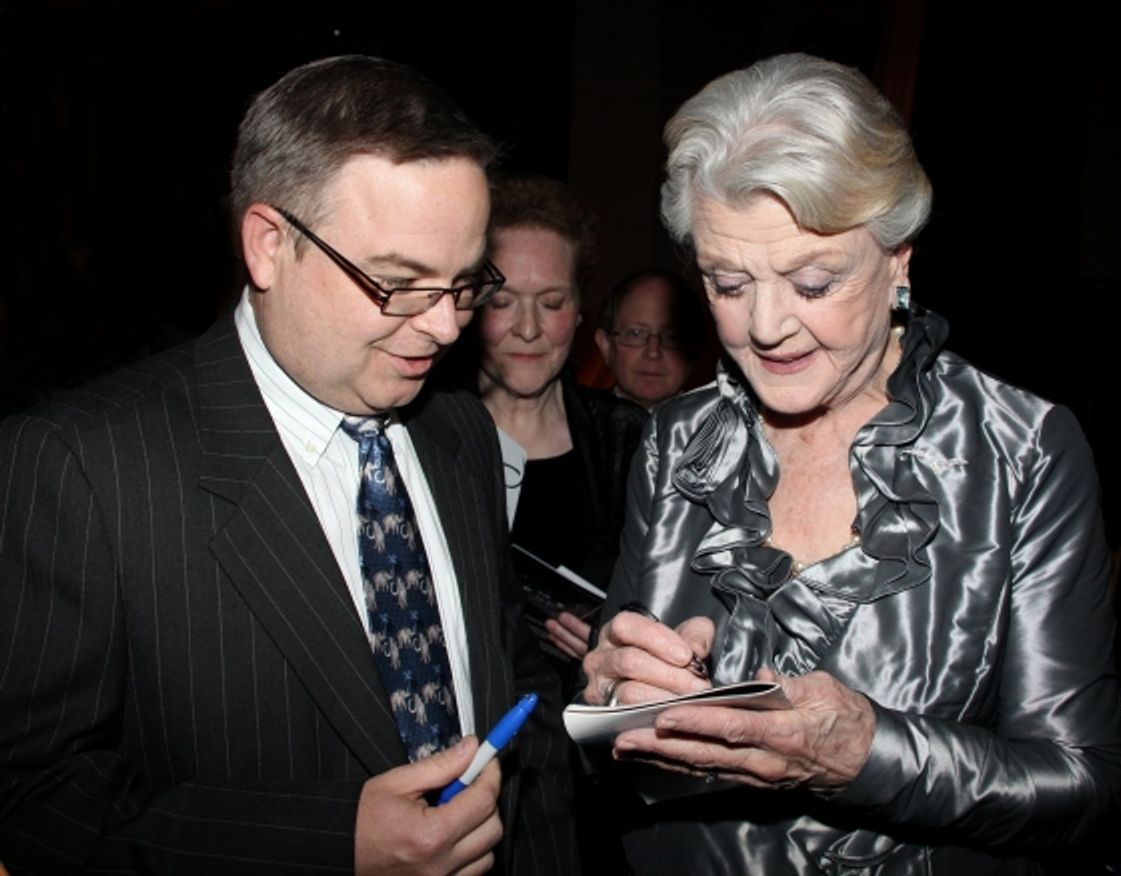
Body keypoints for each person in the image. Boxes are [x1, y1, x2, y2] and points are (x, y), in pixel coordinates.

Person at [0, 56, 576, 875]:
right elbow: (30, 799)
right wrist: (328, 843)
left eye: (463, 283)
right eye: (399, 283)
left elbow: (514, 685)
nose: (448, 327)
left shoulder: (460, 434)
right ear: (270, 247)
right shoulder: (79, 467)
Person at [580, 53, 1121, 874]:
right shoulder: (676, 440)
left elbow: (1082, 786)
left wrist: (867, 755)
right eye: (728, 283)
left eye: (813, 281)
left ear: (899, 256)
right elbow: (615, 734)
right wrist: (612, 694)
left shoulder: (1021, 450)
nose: (765, 327)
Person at [473, 176, 647, 665]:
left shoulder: (628, 439)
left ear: (577, 314)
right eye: (501, 303)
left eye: (551, 303)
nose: (528, 329)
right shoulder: (425, 436)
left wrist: (618, 633)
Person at [594, 269, 705, 410]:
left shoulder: (727, 428)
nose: (653, 352)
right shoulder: (573, 423)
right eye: (635, 333)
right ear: (606, 346)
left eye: (671, 337)